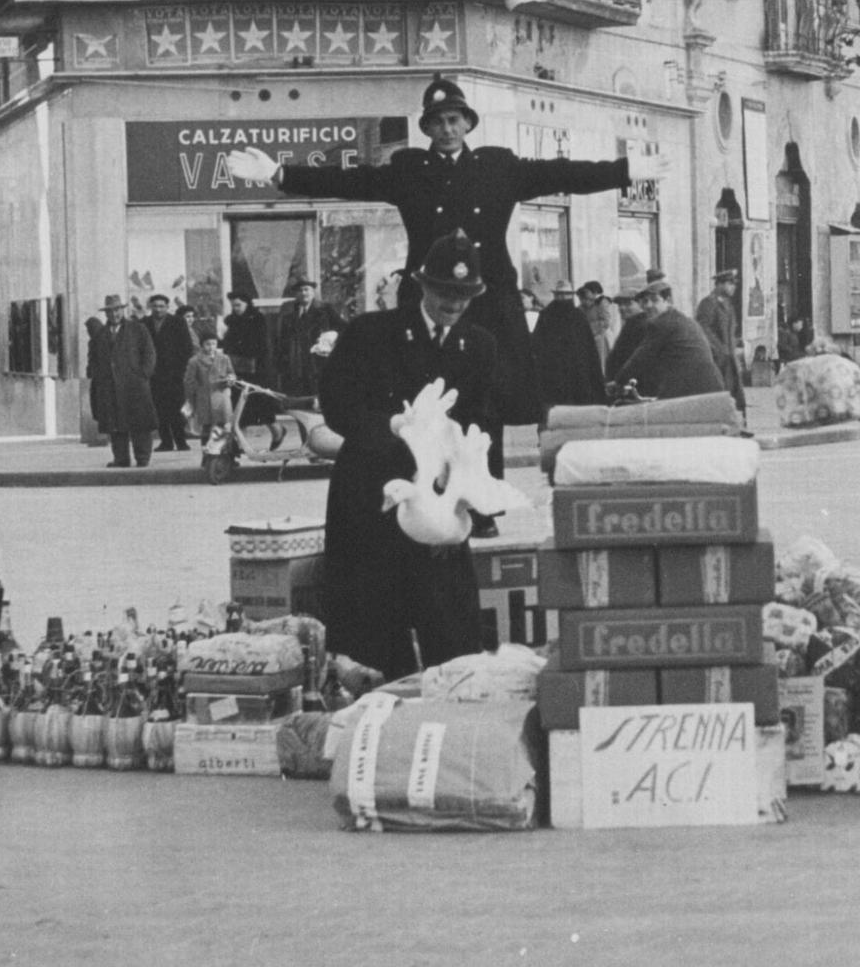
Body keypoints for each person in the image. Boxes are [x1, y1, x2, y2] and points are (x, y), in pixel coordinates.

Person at [225, 76, 669, 535]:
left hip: (488, 305)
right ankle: (428, 502)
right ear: (427, 128)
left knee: (485, 410)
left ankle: (482, 509)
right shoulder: (409, 171)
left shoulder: (498, 167)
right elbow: (353, 180)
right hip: (428, 304)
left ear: (468, 123)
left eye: (454, 120)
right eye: (437, 122)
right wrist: (281, 175)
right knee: (426, 405)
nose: (447, 129)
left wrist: (624, 171)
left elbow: (563, 174)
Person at [317, 231, 497, 679]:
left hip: (438, 506)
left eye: (464, 295)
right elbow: (338, 405)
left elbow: (481, 425)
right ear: (422, 286)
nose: (454, 304)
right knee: (373, 638)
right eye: (445, 292)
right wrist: (392, 426)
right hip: (372, 499)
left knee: (453, 637)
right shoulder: (371, 333)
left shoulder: (478, 346)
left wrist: (470, 487)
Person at [608, 279, 727, 401]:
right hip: (711, 387)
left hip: (689, 390)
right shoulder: (685, 320)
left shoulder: (661, 323)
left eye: (654, 300)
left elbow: (640, 358)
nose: (648, 306)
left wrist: (618, 382)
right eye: (645, 301)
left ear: (668, 300)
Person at [89, 294, 157, 467]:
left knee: (140, 424)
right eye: (110, 311)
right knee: (115, 425)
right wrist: (98, 378)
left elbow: (149, 353)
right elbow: (93, 359)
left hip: (134, 385)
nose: (114, 314)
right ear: (105, 313)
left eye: (117, 310)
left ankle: (142, 457)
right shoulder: (100, 334)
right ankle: (121, 459)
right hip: (110, 386)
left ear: (122, 310)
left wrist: (143, 375)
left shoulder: (137, 329)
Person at [532, 279, 606, 426]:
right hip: (554, 374)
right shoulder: (548, 315)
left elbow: (588, 348)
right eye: (560, 295)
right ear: (555, 295)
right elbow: (538, 344)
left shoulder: (577, 316)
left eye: (566, 295)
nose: (563, 298)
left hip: (575, 373)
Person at [220, 291, 282, 445]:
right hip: (238, 369)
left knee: (261, 404)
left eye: (238, 305)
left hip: (258, 371)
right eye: (233, 306)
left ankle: (277, 431)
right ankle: (240, 443)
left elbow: (262, 345)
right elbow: (228, 344)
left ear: (247, 304)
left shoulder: (257, 319)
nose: (236, 308)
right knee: (240, 406)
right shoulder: (232, 321)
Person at [141, 294, 194, 452]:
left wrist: (181, 370)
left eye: (161, 306)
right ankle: (166, 442)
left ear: (167, 307)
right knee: (159, 409)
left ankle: (181, 441)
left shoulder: (177, 322)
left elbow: (187, 347)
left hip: (174, 374)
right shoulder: (144, 323)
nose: (158, 309)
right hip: (154, 375)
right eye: (155, 306)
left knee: (176, 408)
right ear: (150, 307)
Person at [274, 280, 342, 398]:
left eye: (307, 289)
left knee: (319, 392)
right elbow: (283, 338)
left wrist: (331, 337)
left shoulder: (325, 309)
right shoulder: (289, 312)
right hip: (297, 361)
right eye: (300, 290)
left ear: (313, 292)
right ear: (296, 294)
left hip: (318, 359)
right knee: (299, 394)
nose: (303, 293)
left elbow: (342, 328)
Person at [695, 269, 747, 419]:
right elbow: (703, 328)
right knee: (720, 397)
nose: (733, 287)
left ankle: (738, 425)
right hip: (717, 361)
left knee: (735, 398)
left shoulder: (727, 305)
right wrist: (720, 350)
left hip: (730, 361)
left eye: (733, 284)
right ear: (719, 284)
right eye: (730, 283)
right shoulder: (708, 303)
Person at [182, 330, 235, 448]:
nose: (211, 347)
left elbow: (231, 373)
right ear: (202, 345)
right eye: (208, 344)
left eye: (214, 344)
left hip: (221, 396)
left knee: (221, 425)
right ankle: (207, 453)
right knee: (206, 426)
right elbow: (188, 381)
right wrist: (193, 396)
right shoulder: (195, 361)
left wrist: (230, 379)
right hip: (204, 397)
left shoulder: (224, 358)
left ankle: (219, 452)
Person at [575, 280, 619, 370]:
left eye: (592, 295)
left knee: (600, 362)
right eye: (583, 299)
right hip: (585, 339)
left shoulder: (601, 303)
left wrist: (590, 329)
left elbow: (606, 322)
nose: (586, 301)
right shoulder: (580, 308)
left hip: (599, 337)